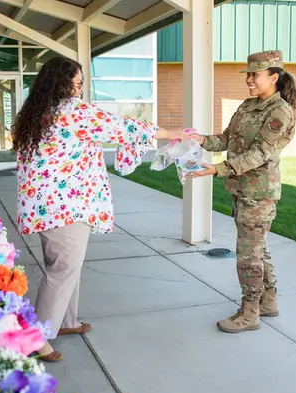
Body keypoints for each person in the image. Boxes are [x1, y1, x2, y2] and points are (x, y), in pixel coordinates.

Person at [12, 56, 183, 361]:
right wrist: (171, 133)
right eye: (75, 81)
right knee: (62, 270)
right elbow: (121, 127)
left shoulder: (41, 113)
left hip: (46, 206)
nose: (79, 87)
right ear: (61, 83)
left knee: (65, 268)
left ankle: (64, 321)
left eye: (80, 81)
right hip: (66, 207)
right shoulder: (72, 112)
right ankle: (34, 338)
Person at [187, 50, 296, 333]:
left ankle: (249, 312)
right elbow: (226, 138)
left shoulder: (280, 111)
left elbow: (261, 153)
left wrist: (217, 169)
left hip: (259, 193)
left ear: (273, 77)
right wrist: (201, 140)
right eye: (248, 74)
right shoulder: (248, 106)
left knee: (248, 255)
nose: (249, 80)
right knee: (259, 249)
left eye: (254, 74)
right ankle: (268, 301)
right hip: (242, 190)